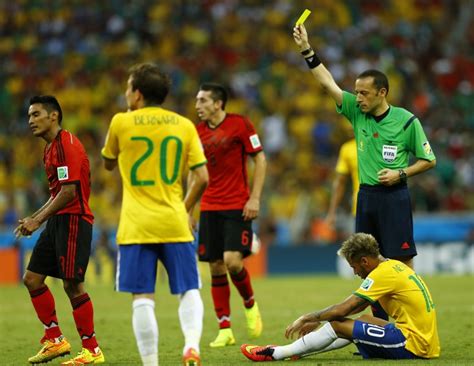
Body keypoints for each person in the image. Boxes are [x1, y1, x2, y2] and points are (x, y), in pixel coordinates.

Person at [292, 24, 436, 272]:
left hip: (395, 197)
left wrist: (400, 174)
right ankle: (377, 313)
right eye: (356, 92)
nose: (358, 98)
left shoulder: (407, 121)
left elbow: (429, 160)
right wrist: (307, 50)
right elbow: (328, 84)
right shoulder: (357, 113)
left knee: (402, 259)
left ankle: (411, 308)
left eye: (364, 93)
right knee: (367, 262)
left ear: (382, 93)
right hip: (366, 197)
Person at [101, 63, 208, 366]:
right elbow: (202, 178)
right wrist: (184, 208)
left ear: (136, 94)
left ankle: (151, 363)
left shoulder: (121, 122)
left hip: (136, 225)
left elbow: (108, 162)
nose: (125, 93)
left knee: (142, 297)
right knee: (188, 289)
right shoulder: (184, 125)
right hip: (174, 220)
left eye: (127, 87)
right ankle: (191, 346)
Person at [241, 232, 440, 361]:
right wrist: (323, 320)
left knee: (338, 326)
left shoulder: (382, 274)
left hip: (412, 345)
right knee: (363, 320)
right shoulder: (392, 266)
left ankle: (277, 353)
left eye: (354, 267)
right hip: (426, 342)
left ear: (364, 261)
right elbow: (357, 308)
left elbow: (345, 308)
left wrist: (307, 318)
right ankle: (298, 351)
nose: (355, 272)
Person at [16, 95, 104, 365]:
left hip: (74, 219)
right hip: (58, 220)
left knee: (72, 285)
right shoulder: (50, 148)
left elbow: (69, 193)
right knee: (32, 279)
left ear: (53, 116)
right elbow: (57, 193)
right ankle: (55, 339)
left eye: (36, 114)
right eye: (29, 116)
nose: (30, 121)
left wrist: (37, 220)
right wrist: (36, 216)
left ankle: (92, 350)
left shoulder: (66, 144)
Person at [194, 83, 267, 347]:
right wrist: (191, 209)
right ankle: (224, 328)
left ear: (218, 103)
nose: (197, 106)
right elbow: (194, 172)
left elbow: (260, 159)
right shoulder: (197, 132)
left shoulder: (240, 125)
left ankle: (249, 304)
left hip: (237, 204)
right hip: (209, 206)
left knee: (232, 261)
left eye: (202, 101)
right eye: (196, 101)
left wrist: (255, 197)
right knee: (215, 266)